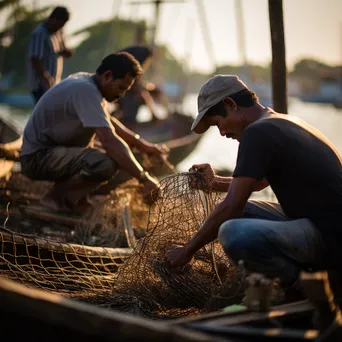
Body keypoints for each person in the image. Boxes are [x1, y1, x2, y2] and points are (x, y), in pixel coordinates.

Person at [166, 74, 342, 291]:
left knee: (232, 232)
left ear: (230, 104)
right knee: (239, 212)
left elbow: (232, 205)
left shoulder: (257, 133)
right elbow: (257, 184)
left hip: (330, 237)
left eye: (217, 123)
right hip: (323, 226)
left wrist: (186, 251)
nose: (222, 133)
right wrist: (213, 182)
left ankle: (298, 286)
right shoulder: (279, 121)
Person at [20, 52, 169, 213]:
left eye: (126, 90)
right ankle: (54, 198)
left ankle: (76, 199)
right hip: (36, 158)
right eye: (121, 88)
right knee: (104, 163)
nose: (122, 95)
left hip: (52, 153)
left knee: (116, 157)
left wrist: (143, 146)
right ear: (107, 76)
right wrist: (143, 178)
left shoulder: (88, 82)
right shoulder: (86, 91)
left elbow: (110, 123)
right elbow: (109, 140)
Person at [28, 6, 73, 104]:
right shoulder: (39, 33)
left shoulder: (57, 33)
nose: (60, 28)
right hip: (41, 85)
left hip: (53, 84)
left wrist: (66, 52)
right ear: (53, 18)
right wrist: (45, 78)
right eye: (59, 24)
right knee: (44, 115)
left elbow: (61, 50)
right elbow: (36, 59)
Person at [115, 45, 162, 128]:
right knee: (134, 99)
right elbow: (140, 89)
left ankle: (124, 123)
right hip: (123, 90)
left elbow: (139, 84)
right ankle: (128, 126)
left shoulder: (135, 55)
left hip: (120, 85)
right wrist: (153, 113)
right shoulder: (142, 56)